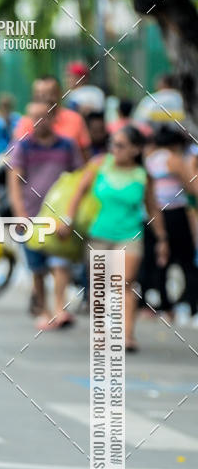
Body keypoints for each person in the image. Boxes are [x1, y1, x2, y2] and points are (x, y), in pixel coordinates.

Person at [61, 124, 169, 352]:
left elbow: (153, 208)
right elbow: (79, 192)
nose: (114, 149)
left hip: (130, 234)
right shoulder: (100, 164)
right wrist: (68, 220)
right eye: (112, 144)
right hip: (99, 233)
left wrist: (161, 239)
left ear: (135, 150)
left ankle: (127, 335)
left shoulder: (142, 176)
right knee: (99, 286)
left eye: (120, 146)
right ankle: (100, 333)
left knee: (125, 283)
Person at [8, 101, 83, 329]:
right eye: (34, 117)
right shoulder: (24, 147)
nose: (39, 122)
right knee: (37, 267)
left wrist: (70, 214)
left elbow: (79, 178)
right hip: (31, 214)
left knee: (60, 262)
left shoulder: (67, 146)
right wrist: (20, 214)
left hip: (58, 216)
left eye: (43, 116)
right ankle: (44, 311)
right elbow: (14, 182)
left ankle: (60, 308)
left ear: (53, 118)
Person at [143, 125, 198, 321]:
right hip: (175, 213)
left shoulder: (149, 160)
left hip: (153, 214)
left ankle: (165, 307)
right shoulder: (174, 160)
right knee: (186, 261)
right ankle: (193, 306)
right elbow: (192, 187)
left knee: (160, 260)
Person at [14, 76, 91, 158]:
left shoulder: (75, 119)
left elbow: (85, 155)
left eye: (50, 93)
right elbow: (18, 158)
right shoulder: (26, 122)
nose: (44, 97)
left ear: (59, 94)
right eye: (39, 93)